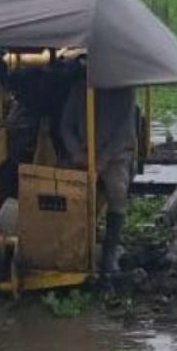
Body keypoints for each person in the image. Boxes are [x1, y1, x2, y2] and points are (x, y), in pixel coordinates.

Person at [56, 70, 138, 274]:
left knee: (117, 189)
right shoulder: (79, 89)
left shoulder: (126, 90)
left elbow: (122, 133)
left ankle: (110, 253)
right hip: (83, 153)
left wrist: (101, 162)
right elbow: (66, 126)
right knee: (59, 188)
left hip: (115, 155)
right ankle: (63, 242)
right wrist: (76, 153)